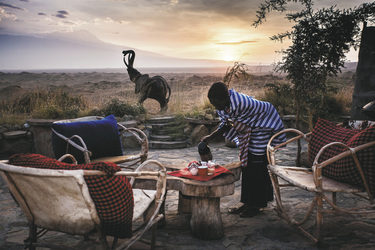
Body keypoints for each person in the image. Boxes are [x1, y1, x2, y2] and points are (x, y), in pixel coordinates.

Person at [201, 82, 286, 218]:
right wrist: (210, 137)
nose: (216, 107)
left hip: (264, 123)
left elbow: (233, 124)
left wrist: (215, 135)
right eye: (213, 104)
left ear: (225, 98)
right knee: (247, 165)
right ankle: (248, 203)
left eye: (217, 104)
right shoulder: (226, 105)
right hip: (253, 127)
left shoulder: (240, 104)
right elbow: (226, 123)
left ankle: (257, 205)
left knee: (257, 163)